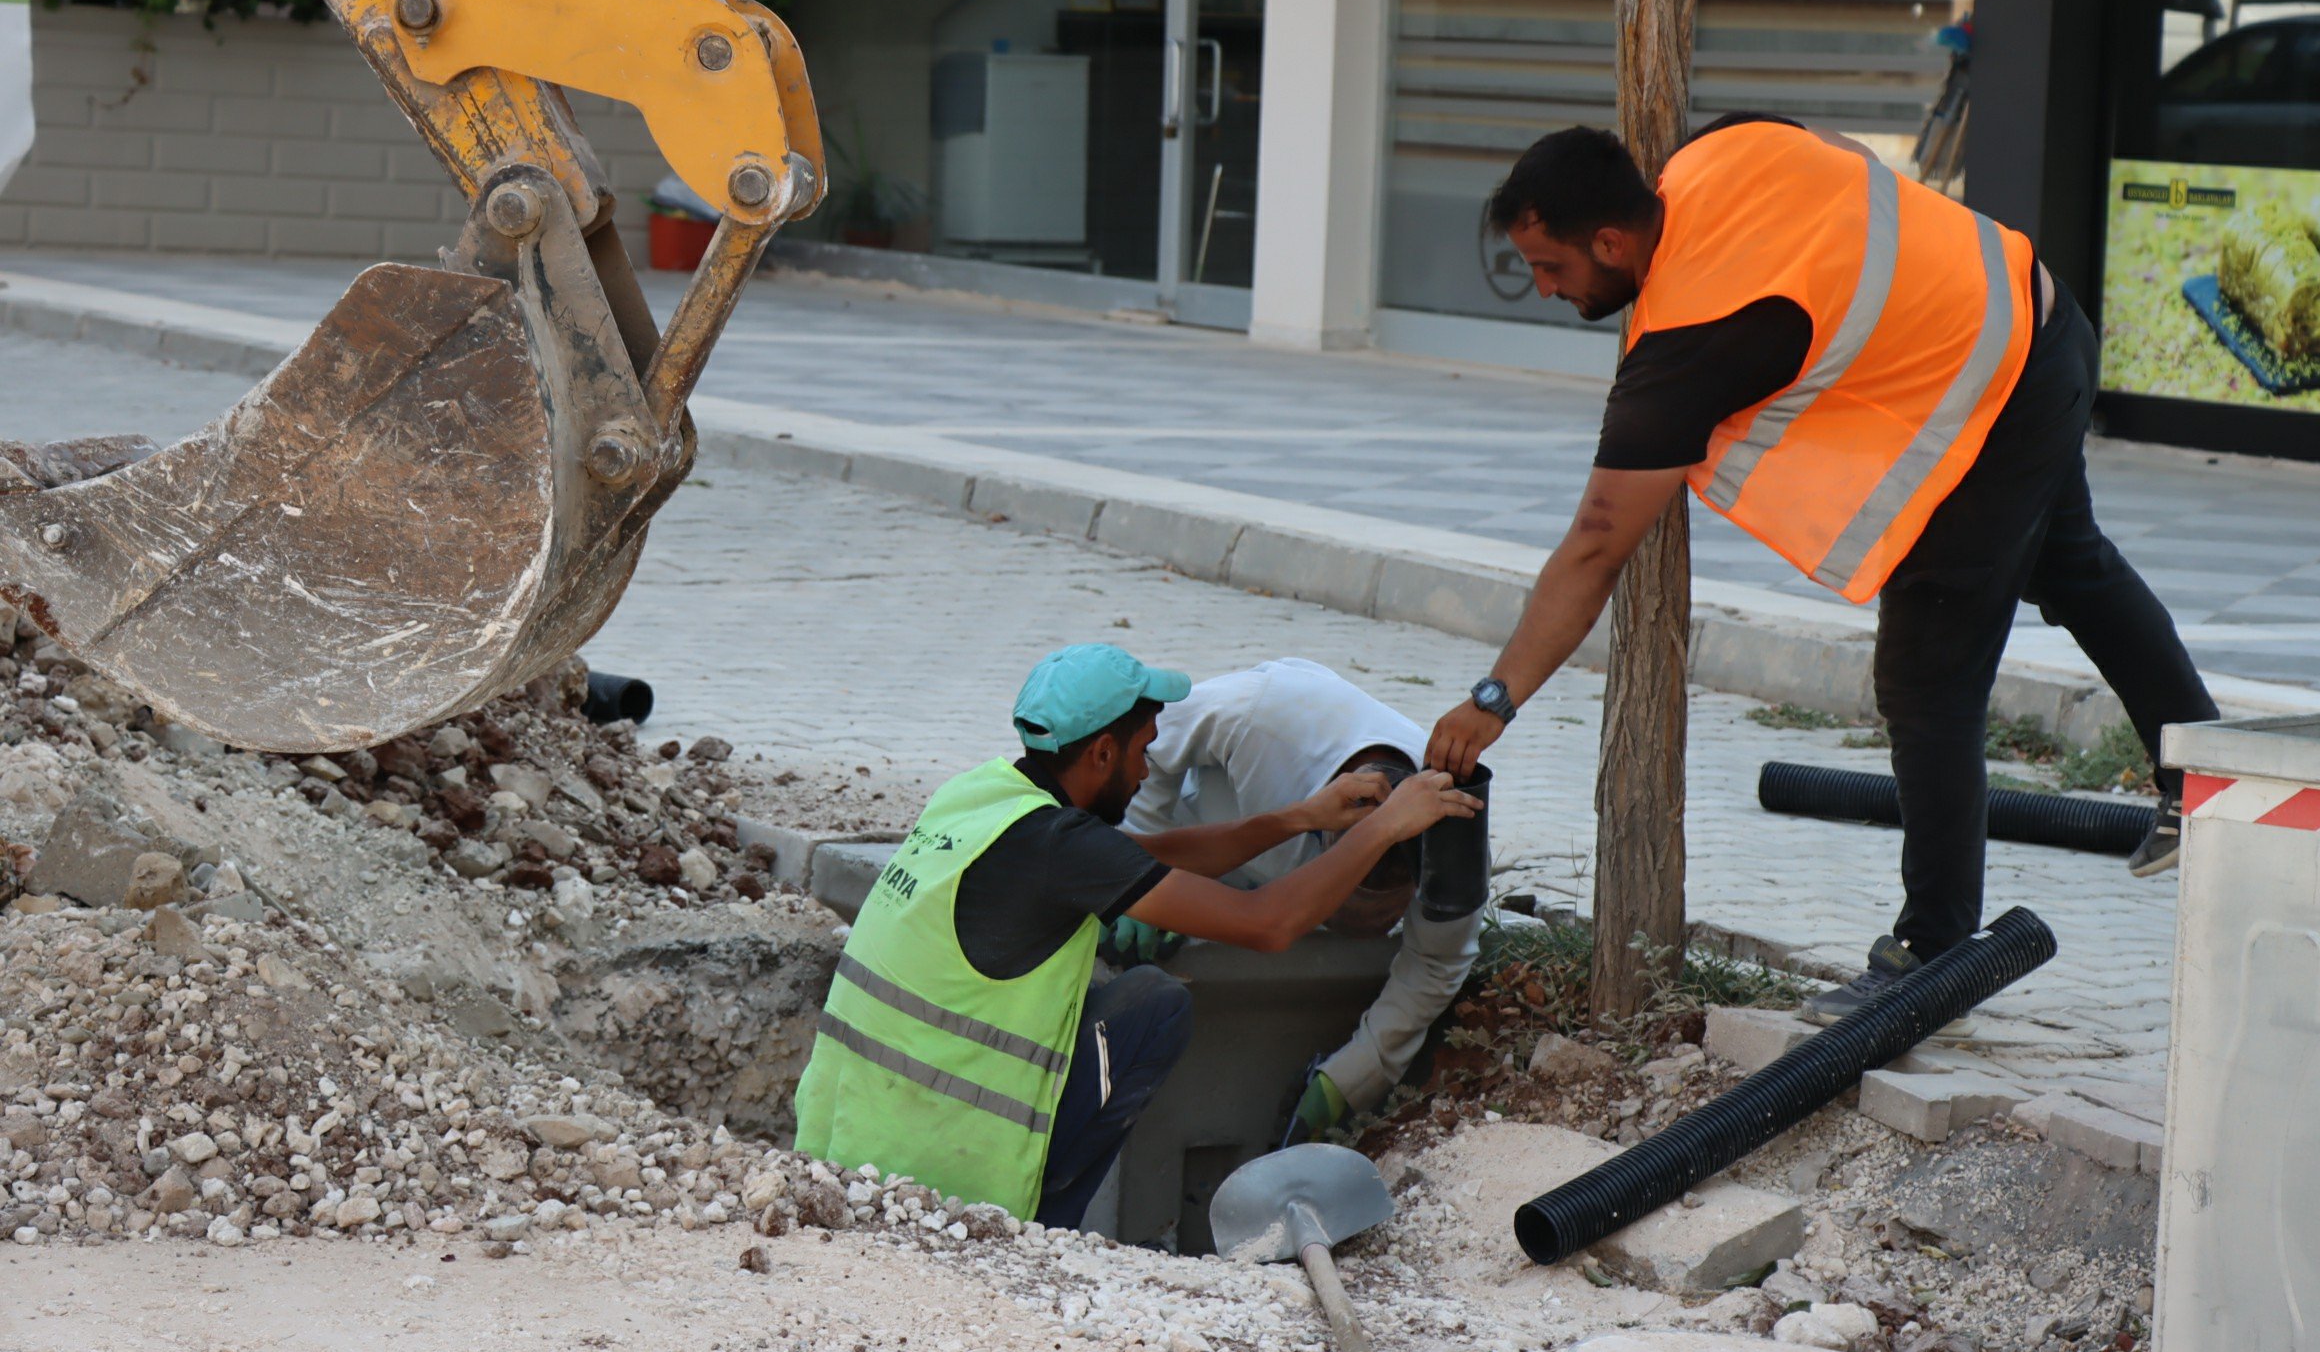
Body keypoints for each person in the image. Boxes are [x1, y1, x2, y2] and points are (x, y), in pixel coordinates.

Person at [1425, 116, 2218, 1026]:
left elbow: (1596, 547)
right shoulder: (1718, 151)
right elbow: (1838, 151)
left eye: (1552, 267)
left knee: (1927, 682)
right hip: (2033, 315)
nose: (1544, 288)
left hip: (1987, 407)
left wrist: (1494, 700)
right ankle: (2201, 774)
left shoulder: (1687, 342)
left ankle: (1932, 953)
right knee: (2073, 567)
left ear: (1610, 241)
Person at [791, 643, 1477, 1226]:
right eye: (1143, 751)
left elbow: (1156, 853)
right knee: (1152, 1005)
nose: (1151, 769)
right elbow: (1268, 925)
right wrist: (1383, 827)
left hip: (843, 1144)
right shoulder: (1064, 849)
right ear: (1100, 754)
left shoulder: (984, 798)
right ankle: (1040, 1229)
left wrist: (1299, 817)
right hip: (947, 1177)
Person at [1120, 658, 1481, 1141]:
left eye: (1386, 911)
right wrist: (1142, 873)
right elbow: (1153, 744)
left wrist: (1347, 1081)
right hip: (1201, 831)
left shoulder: (1452, 833)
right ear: (1329, 843)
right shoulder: (1261, 716)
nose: (1341, 920)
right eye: (1344, 905)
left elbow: (1438, 963)